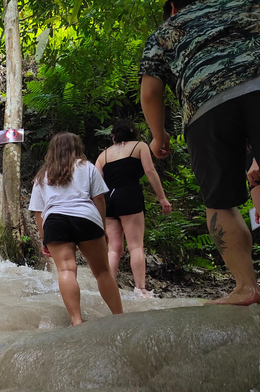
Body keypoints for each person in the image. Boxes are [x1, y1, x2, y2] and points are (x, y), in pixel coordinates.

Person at [140, 0, 260, 305]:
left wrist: (159, 136)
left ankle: (246, 288)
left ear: (172, 6)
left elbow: (150, 92)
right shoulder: (240, 4)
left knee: (220, 203)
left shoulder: (165, 32)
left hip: (205, 103)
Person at [29, 132, 124, 326]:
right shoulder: (87, 167)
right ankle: (120, 316)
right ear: (76, 148)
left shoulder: (42, 175)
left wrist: (43, 238)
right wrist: (102, 228)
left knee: (66, 270)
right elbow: (98, 199)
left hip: (55, 221)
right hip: (86, 217)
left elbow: (39, 212)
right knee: (103, 271)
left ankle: (76, 320)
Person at [95, 120, 172, 298]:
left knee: (113, 248)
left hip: (109, 200)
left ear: (113, 136)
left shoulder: (103, 155)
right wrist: (162, 198)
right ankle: (140, 288)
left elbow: (97, 185)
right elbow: (150, 171)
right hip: (130, 195)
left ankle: (108, 288)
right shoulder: (139, 146)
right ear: (132, 134)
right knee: (136, 246)